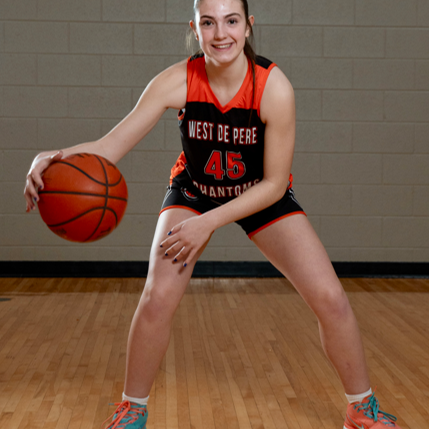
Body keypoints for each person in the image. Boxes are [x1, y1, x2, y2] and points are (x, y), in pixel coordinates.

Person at [24, 0, 403, 428]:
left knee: (331, 299)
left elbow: (274, 184)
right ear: (195, 28)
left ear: (248, 26)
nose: (221, 33)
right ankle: (133, 409)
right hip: (196, 191)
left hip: (258, 194)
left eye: (231, 21)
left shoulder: (273, 88)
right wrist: (50, 157)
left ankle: (361, 408)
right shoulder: (176, 80)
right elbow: (110, 147)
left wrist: (207, 224)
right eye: (208, 22)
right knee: (157, 296)